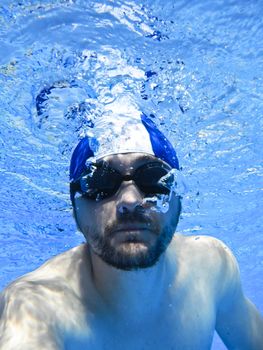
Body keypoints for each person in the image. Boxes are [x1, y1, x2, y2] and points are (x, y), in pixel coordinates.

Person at [0, 113, 262, 350]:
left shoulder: (212, 267)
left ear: (178, 201)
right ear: (75, 211)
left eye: (153, 179)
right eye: (101, 182)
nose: (130, 200)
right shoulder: (35, 304)